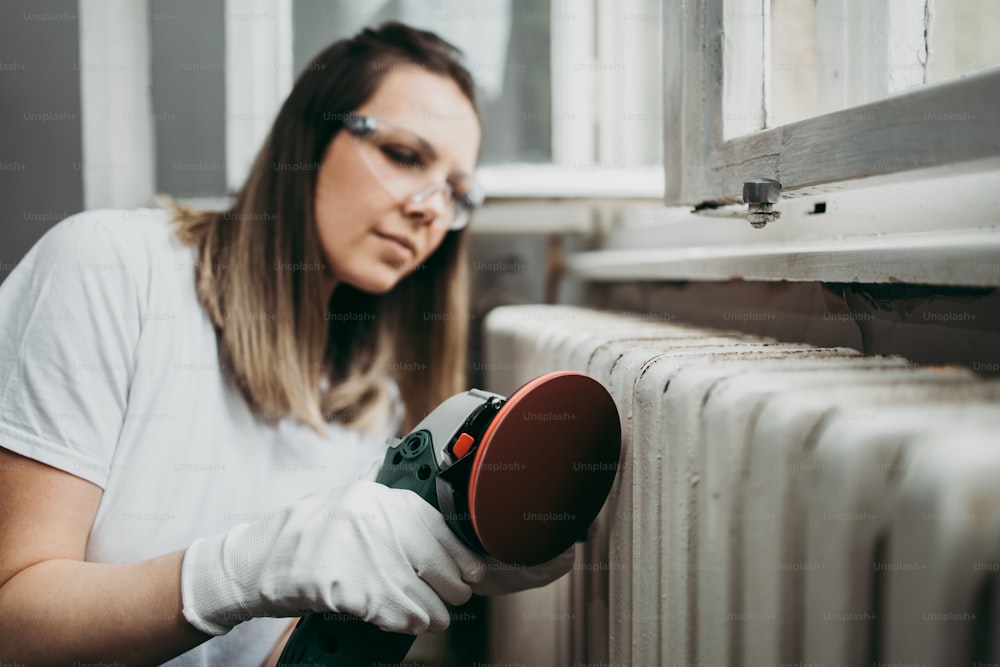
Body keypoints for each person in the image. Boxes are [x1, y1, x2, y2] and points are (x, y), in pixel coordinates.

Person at [0, 22, 572, 666]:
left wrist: (438, 577)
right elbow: (11, 618)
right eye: (406, 156)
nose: (430, 209)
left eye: (458, 193)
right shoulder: (105, 269)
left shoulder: (369, 406)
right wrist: (247, 570)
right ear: (311, 134)